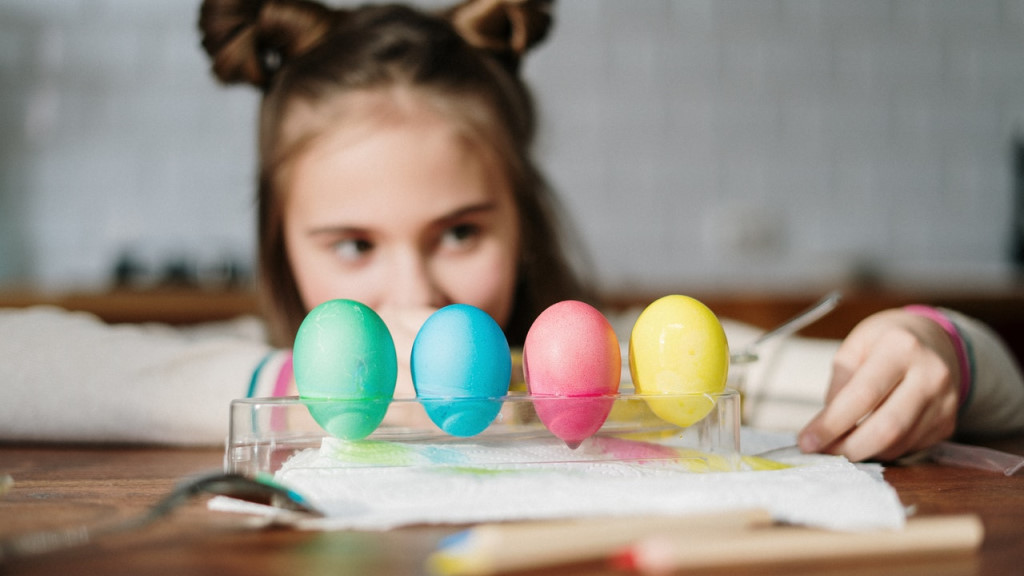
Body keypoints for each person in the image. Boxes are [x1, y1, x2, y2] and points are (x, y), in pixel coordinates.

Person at [1, 0, 1022, 462]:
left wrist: (936, 348)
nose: (413, 299)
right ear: (281, 246)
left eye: (458, 233)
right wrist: (289, 390)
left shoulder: (620, 365)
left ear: (520, 219)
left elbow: (989, 387)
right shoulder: (256, 381)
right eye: (351, 245)